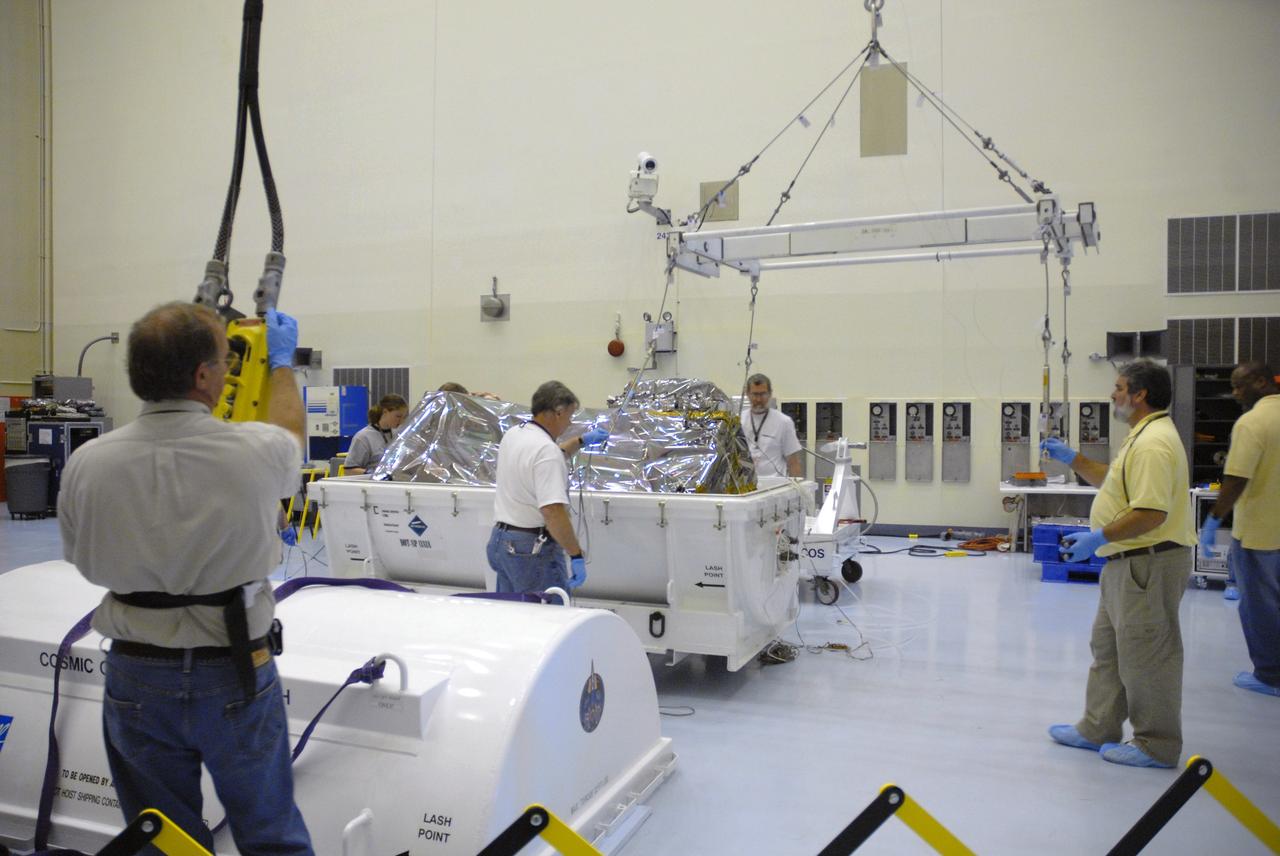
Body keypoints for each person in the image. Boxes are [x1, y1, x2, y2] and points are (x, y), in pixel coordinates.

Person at [58, 302, 312, 853]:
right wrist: (281, 366)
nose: (227, 371)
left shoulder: (88, 462)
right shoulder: (257, 450)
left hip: (136, 673)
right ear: (202, 376)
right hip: (234, 667)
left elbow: (79, 556)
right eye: (224, 361)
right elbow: (292, 435)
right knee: (270, 832)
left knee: (164, 842)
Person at [1040, 358, 1196, 769]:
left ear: (1140, 394)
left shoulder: (1153, 443)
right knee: (1108, 650)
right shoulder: (1141, 436)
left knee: (1147, 655)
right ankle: (1098, 727)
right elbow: (1115, 484)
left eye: (1119, 387)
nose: (1112, 394)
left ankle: (1156, 744)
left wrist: (1099, 538)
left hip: (1147, 564)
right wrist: (1074, 459)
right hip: (1124, 565)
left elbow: (1151, 513)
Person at [1199, 362, 1280, 697]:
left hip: (1260, 534)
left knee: (1260, 606)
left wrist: (1213, 519)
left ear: (1260, 382)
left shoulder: (1252, 422)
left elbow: (1235, 479)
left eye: (1238, 385)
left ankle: (1270, 676)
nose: (1234, 393)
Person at [486, 380, 607, 598]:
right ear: (558, 412)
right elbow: (552, 512)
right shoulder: (546, 451)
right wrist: (575, 554)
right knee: (547, 614)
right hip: (531, 551)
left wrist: (581, 441)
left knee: (511, 612)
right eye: (570, 415)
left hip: (500, 543)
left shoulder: (515, 434)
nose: (570, 423)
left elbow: (543, 459)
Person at [741, 373, 803, 477]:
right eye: (755, 394)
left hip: (776, 484)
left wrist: (796, 486)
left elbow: (793, 462)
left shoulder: (784, 422)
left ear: (770, 394)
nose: (758, 399)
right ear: (747, 394)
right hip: (747, 485)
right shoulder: (739, 421)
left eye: (763, 394)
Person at [343, 393, 408, 474]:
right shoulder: (363, 437)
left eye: (404, 417)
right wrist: (373, 474)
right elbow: (348, 469)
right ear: (385, 412)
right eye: (398, 416)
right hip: (371, 481)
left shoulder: (398, 434)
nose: (401, 421)